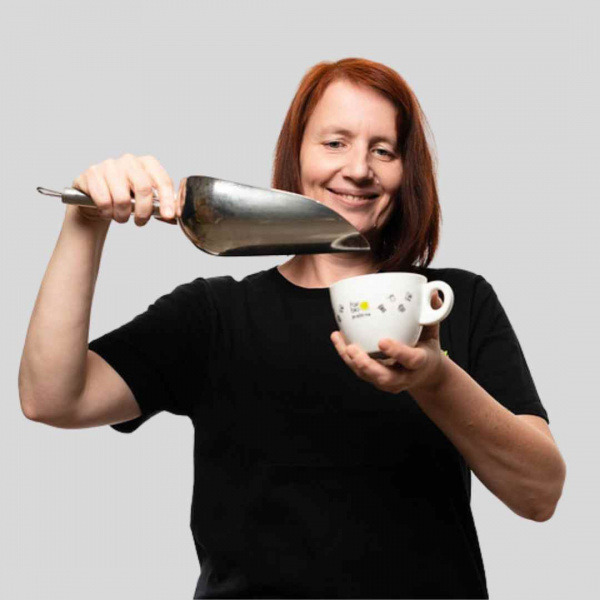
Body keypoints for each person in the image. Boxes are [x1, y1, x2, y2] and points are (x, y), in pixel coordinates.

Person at [19, 58, 566, 599]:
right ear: (296, 155)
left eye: (383, 150)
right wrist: (84, 223)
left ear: (407, 173)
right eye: (335, 142)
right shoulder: (214, 315)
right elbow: (52, 398)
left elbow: (539, 493)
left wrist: (435, 379)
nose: (359, 169)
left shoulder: (451, 303)